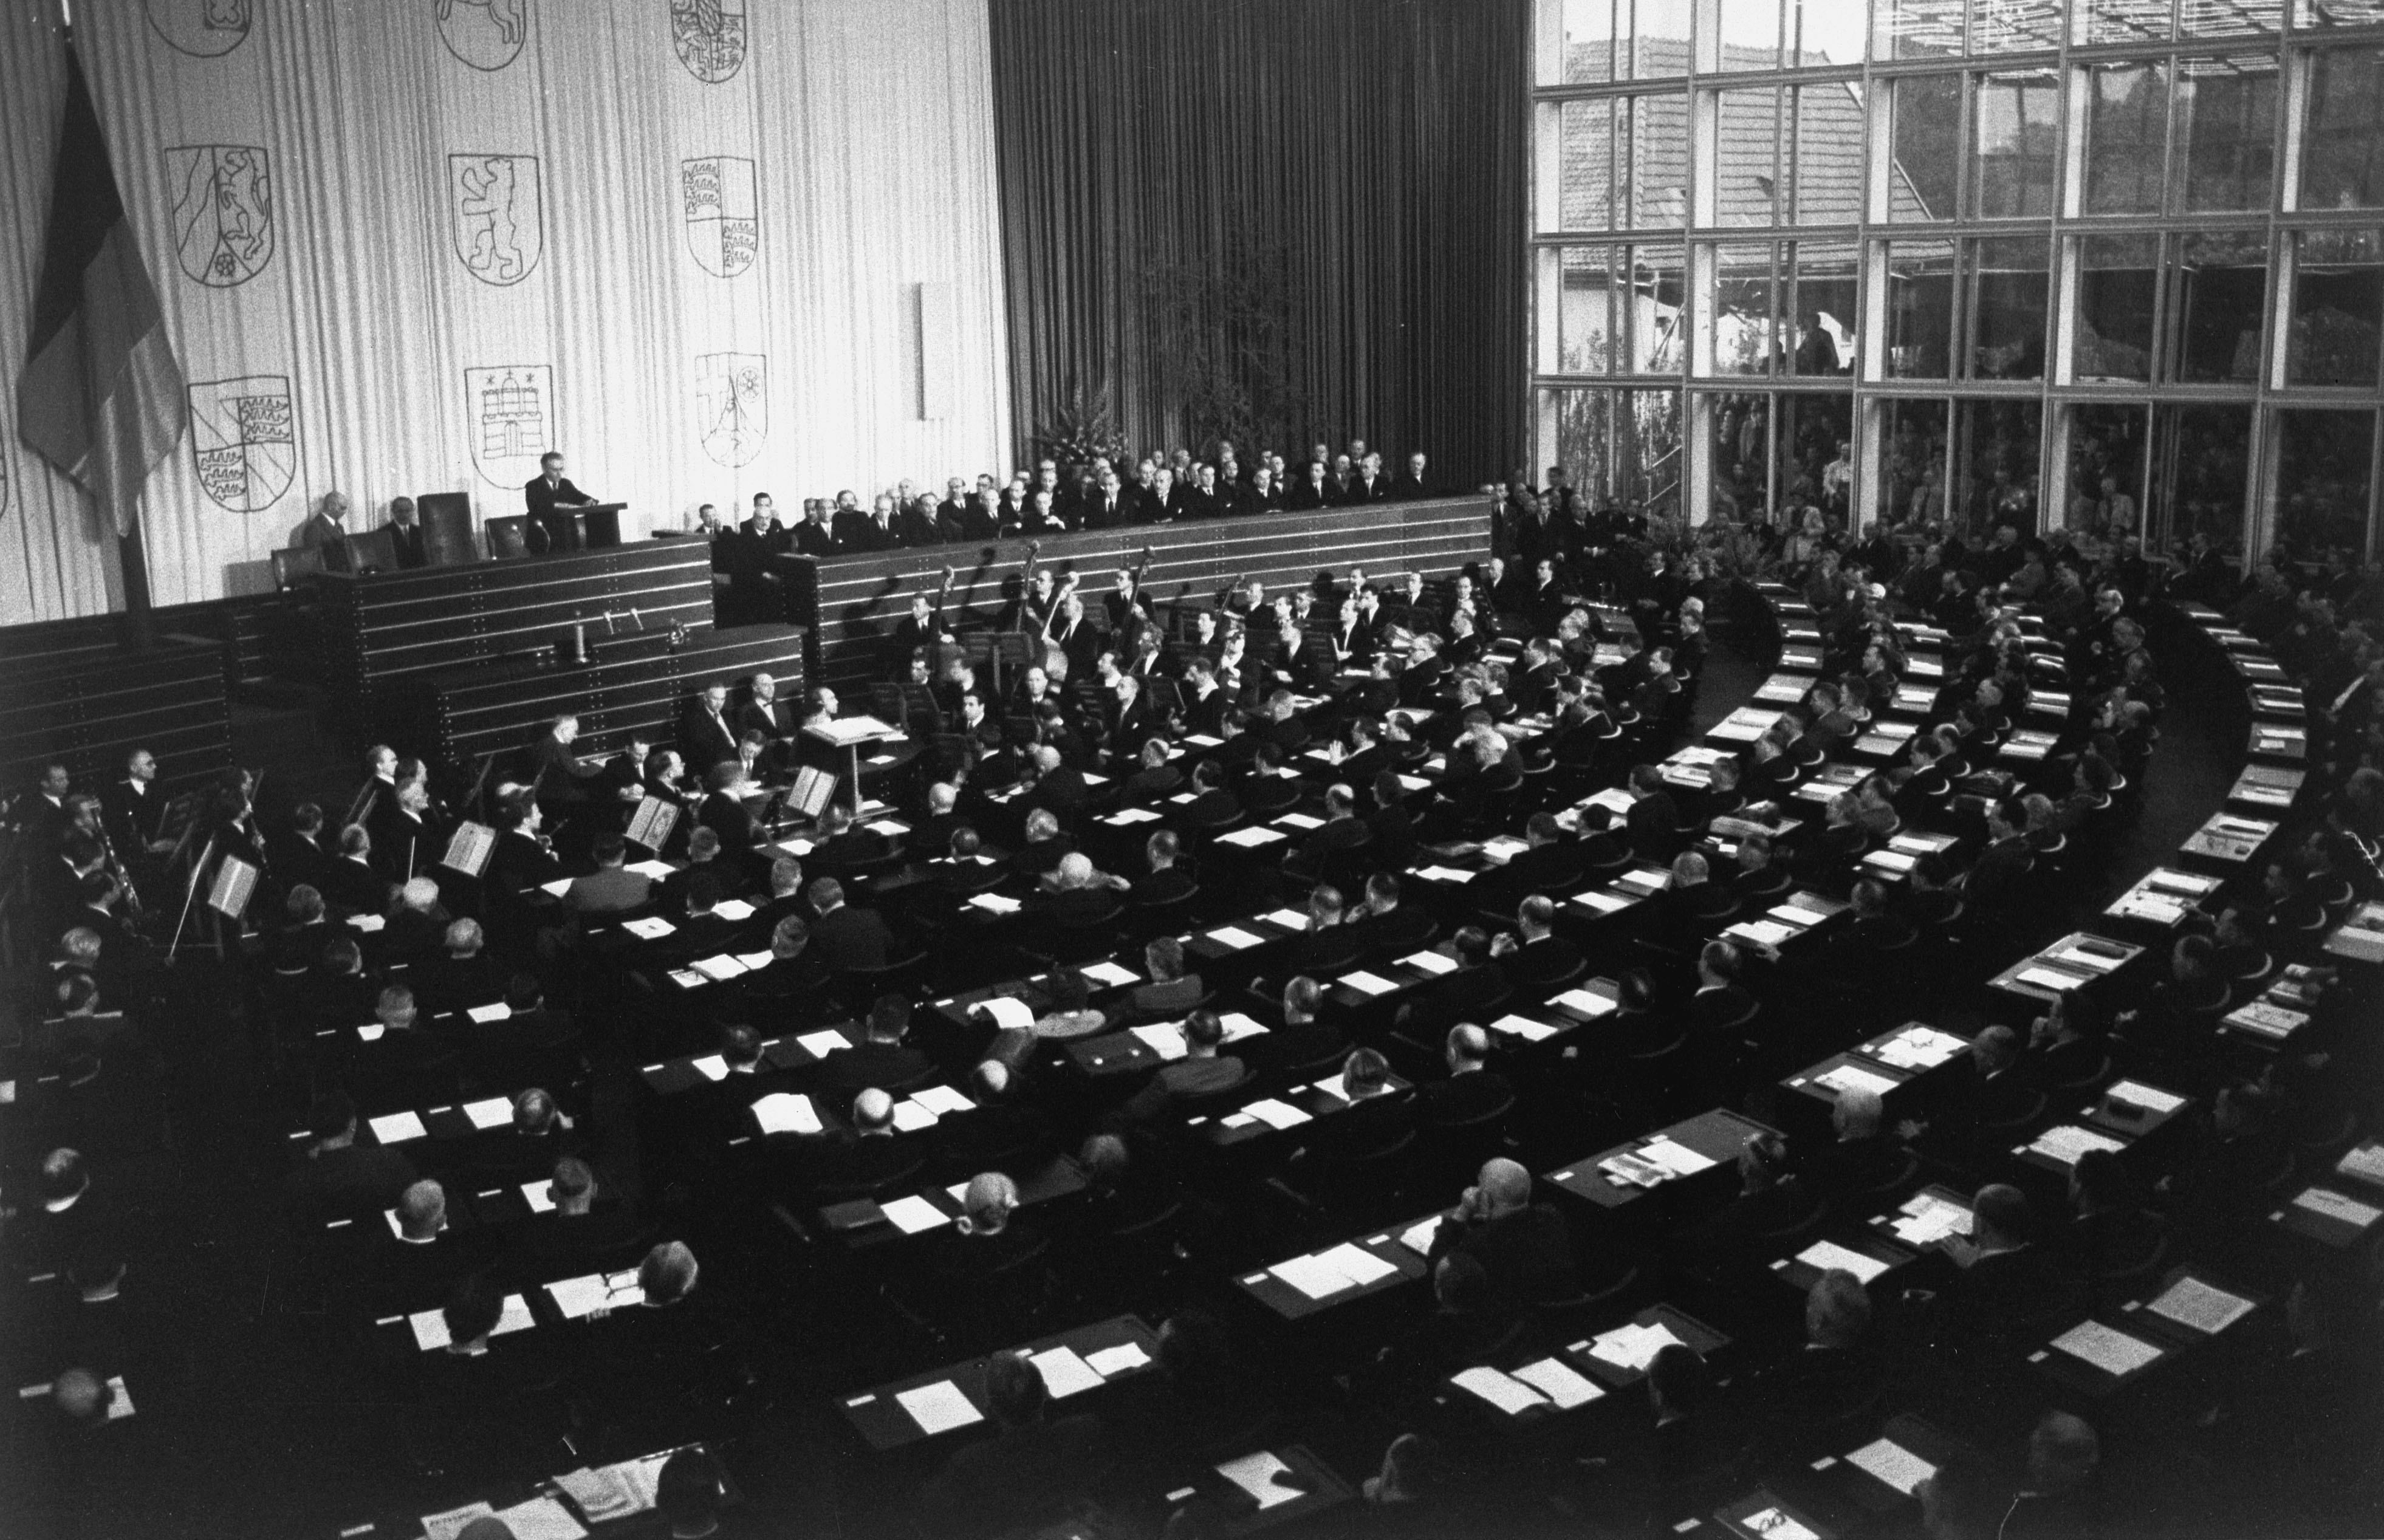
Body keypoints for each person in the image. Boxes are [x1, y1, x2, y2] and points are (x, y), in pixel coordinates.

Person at [914, 1349, 1112, 1538]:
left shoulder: (970, 1464)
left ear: (991, 1411)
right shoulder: (1085, 1430)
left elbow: (930, 1517)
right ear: (1045, 1393)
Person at [1427, 1157, 1577, 1306]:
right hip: (1561, 1309)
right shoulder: (1551, 1216)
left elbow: (1437, 1264)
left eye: (1479, 1186)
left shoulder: (1480, 1244)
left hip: (1514, 1319)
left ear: (1488, 1199)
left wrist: (1462, 1212)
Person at [523, 451, 597, 553]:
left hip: (568, 539)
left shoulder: (566, 484)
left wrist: (589, 501)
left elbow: (578, 496)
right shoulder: (533, 486)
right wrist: (563, 505)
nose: (560, 473)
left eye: (561, 469)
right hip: (543, 541)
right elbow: (539, 508)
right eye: (555, 470)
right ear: (544, 469)